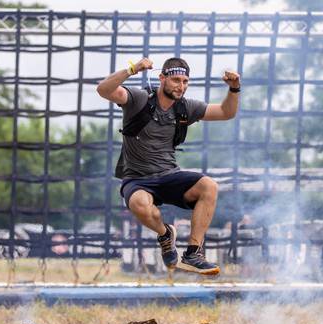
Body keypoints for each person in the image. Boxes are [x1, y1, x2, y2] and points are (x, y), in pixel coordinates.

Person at [96, 57, 240, 275]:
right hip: (137, 179)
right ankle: (165, 234)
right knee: (139, 203)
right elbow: (103, 90)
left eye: (184, 81)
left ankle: (193, 253)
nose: (180, 86)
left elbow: (226, 112)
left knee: (209, 186)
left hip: (169, 175)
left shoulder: (186, 107)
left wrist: (234, 89)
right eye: (175, 80)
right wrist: (132, 69)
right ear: (162, 78)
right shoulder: (140, 99)